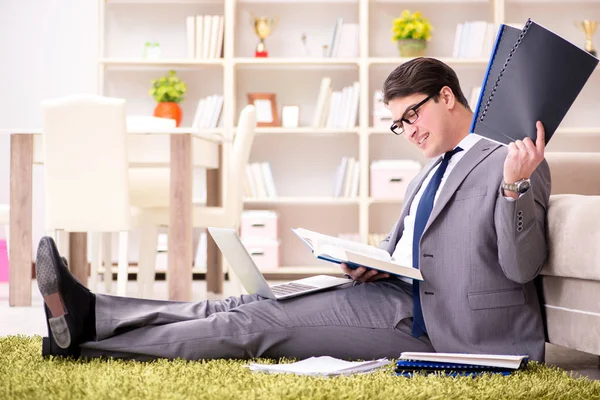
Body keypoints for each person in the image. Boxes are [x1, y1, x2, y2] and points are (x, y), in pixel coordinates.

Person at [36, 57, 550, 362]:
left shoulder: (514, 160)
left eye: (412, 114)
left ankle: (84, 344)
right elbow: (416, 254)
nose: (409, 130)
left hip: (440, 327)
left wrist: (513, 190)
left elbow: (521, 267)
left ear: (447, 96)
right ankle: (95, 311)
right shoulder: (427, 172)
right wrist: (374, 262)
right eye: (399, 123)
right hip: (390, 294)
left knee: (253, 324)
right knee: (232, 304)